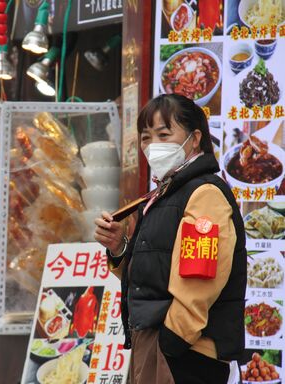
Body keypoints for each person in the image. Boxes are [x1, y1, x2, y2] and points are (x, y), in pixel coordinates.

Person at [94, 94, 247, 384]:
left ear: (195, 138)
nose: (153, 146)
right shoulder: (164, 194)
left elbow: (199, 279)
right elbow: (150, 272)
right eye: (145, 137)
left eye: (164, 134)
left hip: (187, 354)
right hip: (158, 343)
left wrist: (171, 342)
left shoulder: (204, 194)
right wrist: (119, 247)